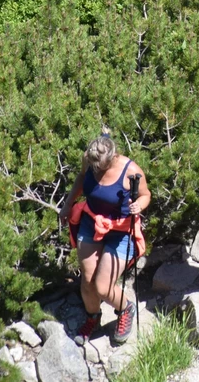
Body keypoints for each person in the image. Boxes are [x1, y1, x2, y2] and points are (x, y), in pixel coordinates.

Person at [60, 133, 152, 345]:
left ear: (112, 156)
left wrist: (140, 205)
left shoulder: (131, 171)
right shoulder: (90, 159)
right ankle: (93, 317)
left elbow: (146, 194)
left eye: (101, 166)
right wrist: (67, 204)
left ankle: (125, 307)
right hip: (91, 222)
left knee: (103, 287)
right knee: (88, 281)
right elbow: (82, 179)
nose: (97, 170)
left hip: (120, 230)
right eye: (94, 166)